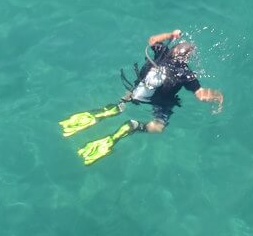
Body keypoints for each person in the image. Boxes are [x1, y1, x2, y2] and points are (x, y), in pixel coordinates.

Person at [59, 30, 224, 165]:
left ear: (173, 50)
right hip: (160, 102)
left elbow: (152, 40)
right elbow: (201, 95)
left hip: (138, 91)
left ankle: (112, 109)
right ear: (186, 58)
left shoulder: (162, 52)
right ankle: (133, 127)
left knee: (128, 98)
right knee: (158, 127)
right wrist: (218, 96)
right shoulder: (186, 74)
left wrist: (170, 35)